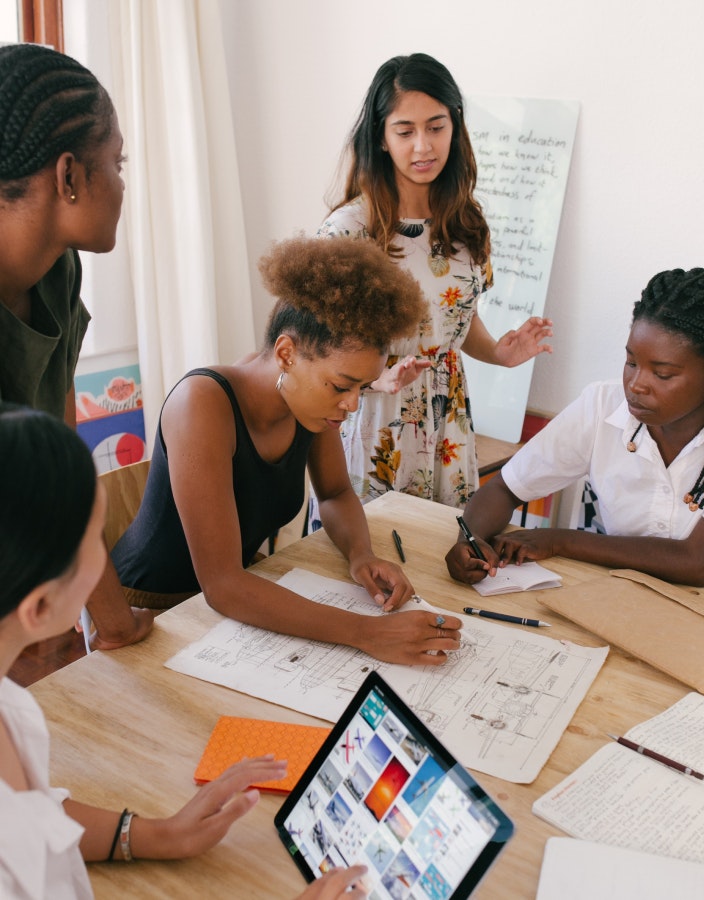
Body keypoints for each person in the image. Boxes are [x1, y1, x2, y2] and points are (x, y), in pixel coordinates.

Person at [0, 404, 368, 898]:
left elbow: (30, 819)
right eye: (94, 539)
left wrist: (153, 834)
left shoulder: (12, 703)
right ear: (41, 606)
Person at [110, 236, 462, 665]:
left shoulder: (310, 404)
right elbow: (222, 585)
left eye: (362, 388)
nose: (352, 405)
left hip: (238, 590)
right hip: (152, 608)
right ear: (286, 353)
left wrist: (361, 555)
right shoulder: (201, 404)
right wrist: (366, 632)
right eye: (341, 385)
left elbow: (334, 493)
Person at [309, 52, 552, 519]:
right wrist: (377, 377)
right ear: (381, 138)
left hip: (448, 418)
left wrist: (500, 353)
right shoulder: (347, 232)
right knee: (368, 564)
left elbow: (455, 320)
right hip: (373, 416)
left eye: (436, 127)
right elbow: (311, 348)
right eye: (405, 131)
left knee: (440, 561)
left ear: (455, 128)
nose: (423, 146)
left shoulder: (465, 223)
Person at [0, 42, 152, 650]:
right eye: (117, 164)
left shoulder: (60, 271)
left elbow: (64, 459)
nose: (121, 184)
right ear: (68, 176)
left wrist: (110, 621)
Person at [445, 268, 704, 588]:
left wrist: (558, 541)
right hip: (620, 595)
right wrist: (471, 540)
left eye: (662, 374)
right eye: (631, 362)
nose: (636, 384)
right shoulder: (603, 406)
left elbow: (697, 563)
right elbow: (504, 489)